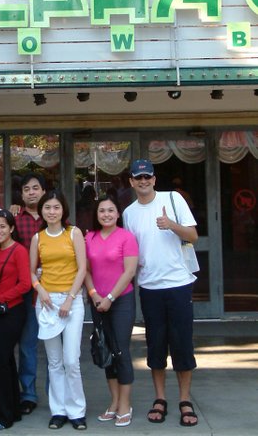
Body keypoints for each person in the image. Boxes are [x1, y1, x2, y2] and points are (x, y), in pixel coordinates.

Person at [123, 159, 199, 428]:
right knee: (155, 345)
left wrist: (171, 224)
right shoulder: (129, 213)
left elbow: (193, 236)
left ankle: (185, 400)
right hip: (149, 287)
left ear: (154, 179)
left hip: (178, 284)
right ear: (131, 182)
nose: (143, 181)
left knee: (182, 344)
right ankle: (160, 398)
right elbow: (130, 251)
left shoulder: (173, 199)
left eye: (147, 177)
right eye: (138, 177)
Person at [30, 190, 87, 430]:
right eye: (47, 208)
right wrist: (40, 290)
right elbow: (32, 272)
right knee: (54, 362)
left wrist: (70, 299)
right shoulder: (38, 238)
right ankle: (59, 411)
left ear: (63, 210)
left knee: (71, 360)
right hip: (46, 303)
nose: (52, 212)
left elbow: (82, 268)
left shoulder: (74, 233)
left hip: (71, 300)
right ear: (41, 211)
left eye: (56, 207)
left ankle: (77, 411)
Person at [85, 195, 138, 427]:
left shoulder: (126, 237)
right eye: (102, 211)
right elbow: (85, 270)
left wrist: (110, 298)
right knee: (105, 350)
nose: (106, 214)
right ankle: (114, 402)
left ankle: (125, 404)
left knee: (120, 350)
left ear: (118, 214)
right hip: (97, 302)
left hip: (121, 301)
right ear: (96, 214)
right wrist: (94, 294)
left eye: (110, 210)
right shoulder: (89, 237)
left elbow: (129, 272)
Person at [0, 210, 31, 430]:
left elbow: (25, 284)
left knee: (0, 361)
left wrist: (0, 298)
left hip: (12, 312)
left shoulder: (19, 250)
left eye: (3, 226)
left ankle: (1, 416)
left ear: (12, 228)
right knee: (6, 360)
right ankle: (13, 409)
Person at [14, 172, 46, 414]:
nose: (31, 192)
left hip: (54, 288)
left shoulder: (55, 216)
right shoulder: (15, 220)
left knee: (58, 348)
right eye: (26, 189)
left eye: (35, 188)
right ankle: (28, 394)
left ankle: (60, 394)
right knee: (27, 344)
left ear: (43, 191)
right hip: (25, 290)